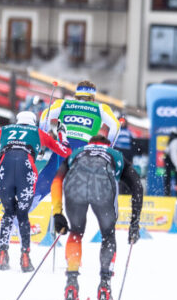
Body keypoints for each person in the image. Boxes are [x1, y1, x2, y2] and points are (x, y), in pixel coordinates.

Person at [50, 134, 144, 300]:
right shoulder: (115, 153)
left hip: (75, 184)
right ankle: (105, 285)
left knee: (76, 231)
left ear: (90, 144)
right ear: (107, 144)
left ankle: (71, 282)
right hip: (103, 184)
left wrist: (57, 213)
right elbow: (137, 186)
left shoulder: (77, 152)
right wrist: (134, 223)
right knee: (108, 234)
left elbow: (56, 181)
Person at [0, 111, 71, 271]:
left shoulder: (4, 131)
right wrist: (62, 134)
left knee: (8, 212)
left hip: (4, 170)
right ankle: (25, 257)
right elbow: (65, 151)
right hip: (27, 169)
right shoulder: (39, 133)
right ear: (33, 122)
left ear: (18, 121)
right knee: (22, 214)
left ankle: (3, 254)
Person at [33, 80, 120, 208]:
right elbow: (116, 126)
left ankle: (15, 221)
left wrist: (43, 141)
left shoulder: (63, 103)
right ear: (93, 97)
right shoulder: (100, 108)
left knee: (40, 189)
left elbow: (45, 116)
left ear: (76, 95)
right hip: (84, 151)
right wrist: (108, 146)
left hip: (63, 148)